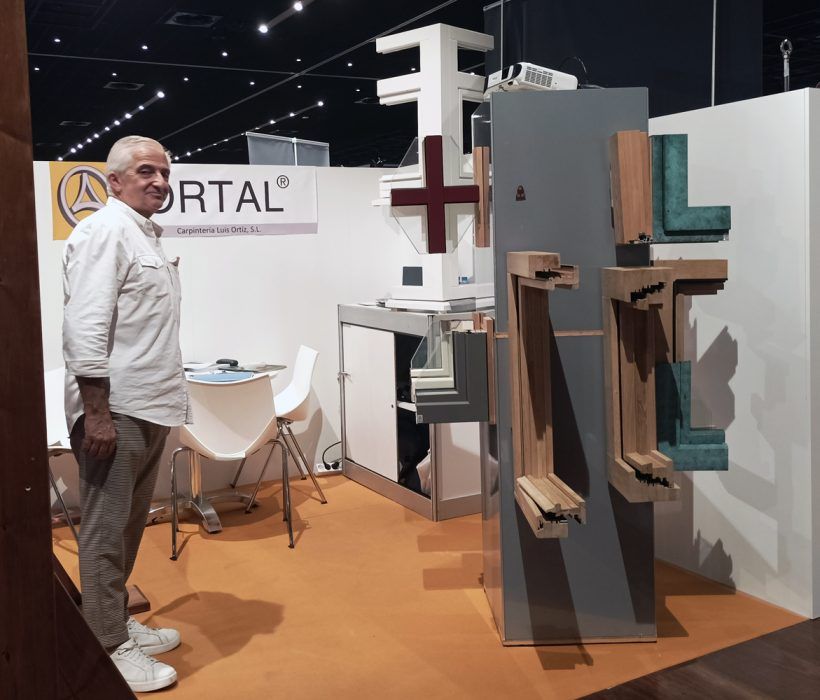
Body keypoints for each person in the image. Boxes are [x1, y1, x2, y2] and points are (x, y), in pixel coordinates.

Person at [63, 135, 190, 693]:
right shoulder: (105, 232)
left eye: (164, 172)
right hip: (116, 411)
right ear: (113, 181)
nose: (159, 181)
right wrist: (96, 413)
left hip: (149, 405)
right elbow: (85, 325)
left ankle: (112, 620)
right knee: (105, 530)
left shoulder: (143, 233)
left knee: (130, 524)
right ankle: (107, 645)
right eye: (145, 171)